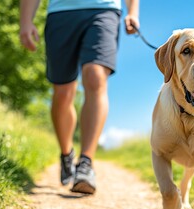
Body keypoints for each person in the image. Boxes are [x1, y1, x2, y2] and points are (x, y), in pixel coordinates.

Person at [19, 0, 140, 194]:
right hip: (61, 12)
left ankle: (86, 163)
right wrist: (26, 21)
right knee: (63, 92)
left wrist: (133, 11)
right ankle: (67, 153)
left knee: (95, 77)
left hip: (104, 9)